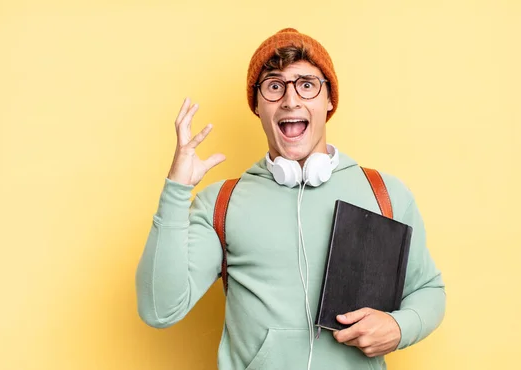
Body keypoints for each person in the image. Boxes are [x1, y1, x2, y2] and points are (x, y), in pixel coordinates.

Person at [136, 28, 446, 370]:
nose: (291, 100)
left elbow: (429, 290)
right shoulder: (220, 203)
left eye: (307, 84)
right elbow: (159, 310)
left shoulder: (384, 193)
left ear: (329, 100)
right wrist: (176, 191)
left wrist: (400, 327)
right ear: (256, 104)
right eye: (274, 86)